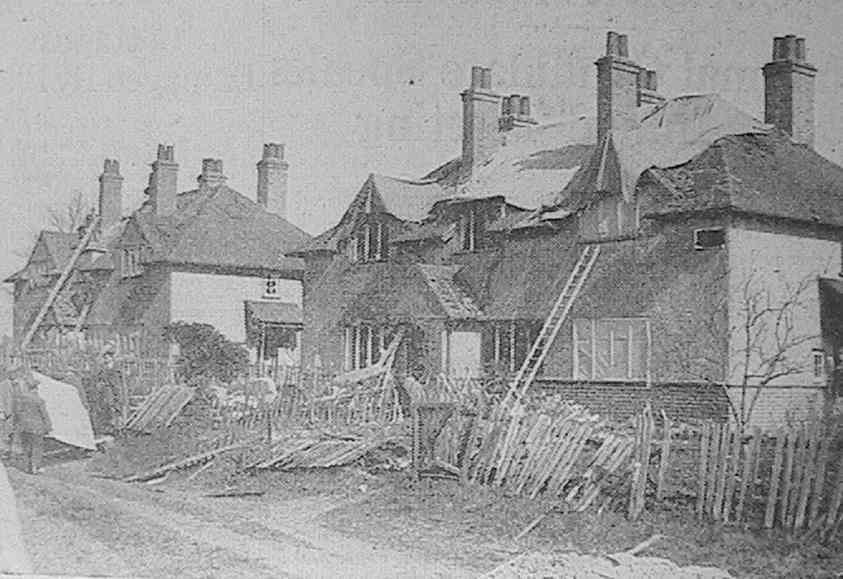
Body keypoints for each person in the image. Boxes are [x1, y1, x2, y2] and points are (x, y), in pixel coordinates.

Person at [13, 371, 52, 475]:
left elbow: (17, 413)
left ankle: (27, 467)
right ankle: (35, 467)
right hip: (37, 427)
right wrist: (48, 427)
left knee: (26, 447)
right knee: (37, 447)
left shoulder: (21, 399)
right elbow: (45, 415)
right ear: (35, 389)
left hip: (24, 427)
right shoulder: (39, 400)